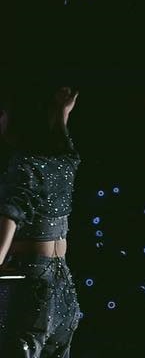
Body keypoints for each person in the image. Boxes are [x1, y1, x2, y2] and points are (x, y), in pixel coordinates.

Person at [0, 81, 82, 358]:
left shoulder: (24, 165)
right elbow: (65, 144)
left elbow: (12, 212)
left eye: (4, 114)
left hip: (29, 289)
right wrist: (62, 114)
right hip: (63, 289)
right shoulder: (64, 161)